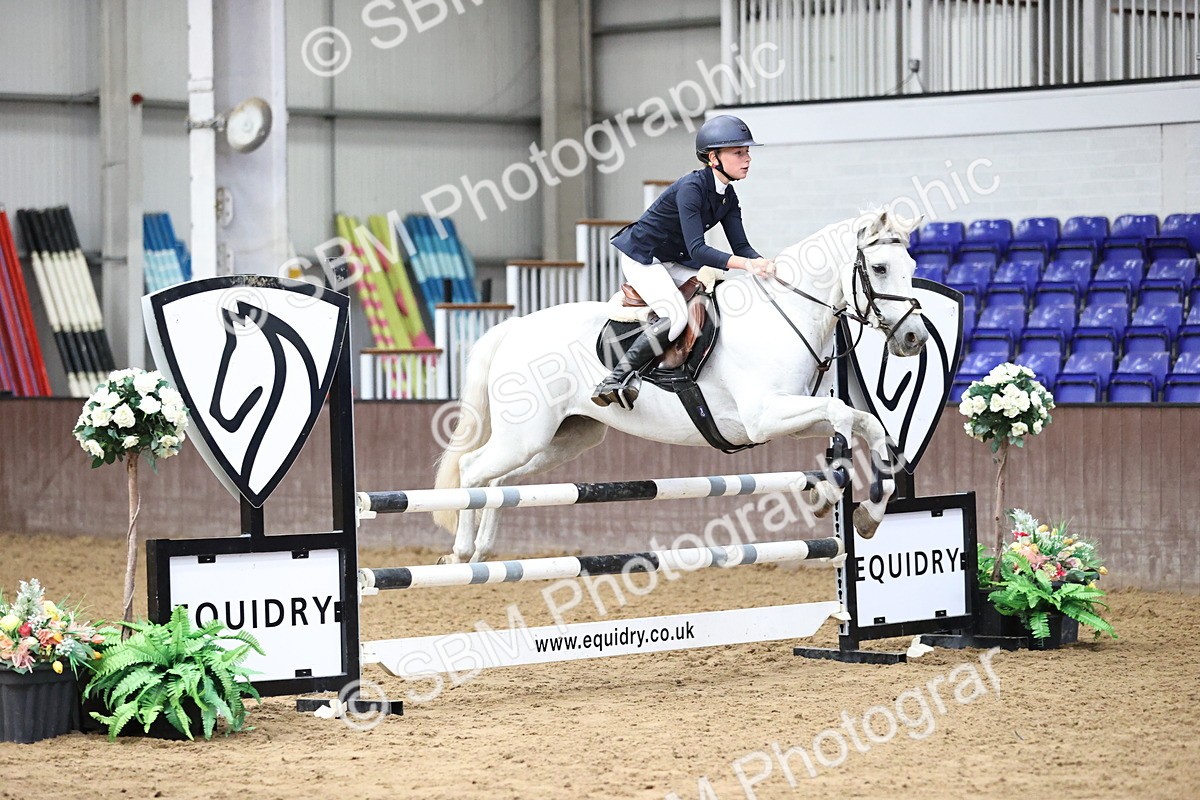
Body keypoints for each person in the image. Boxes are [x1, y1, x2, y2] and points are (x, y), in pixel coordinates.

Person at [591, 114, 776, 408]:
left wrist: (768, 264)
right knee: (675, 316)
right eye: (739, 152)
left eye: (747, 152)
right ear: (713, 158)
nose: (748, 158)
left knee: (720, 292)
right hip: (645, 257)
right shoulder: (691, 188)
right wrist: (746, 265)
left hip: (672, 259)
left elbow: (741, 246)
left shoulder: (728, 197)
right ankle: (616, 378)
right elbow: (699, 250)